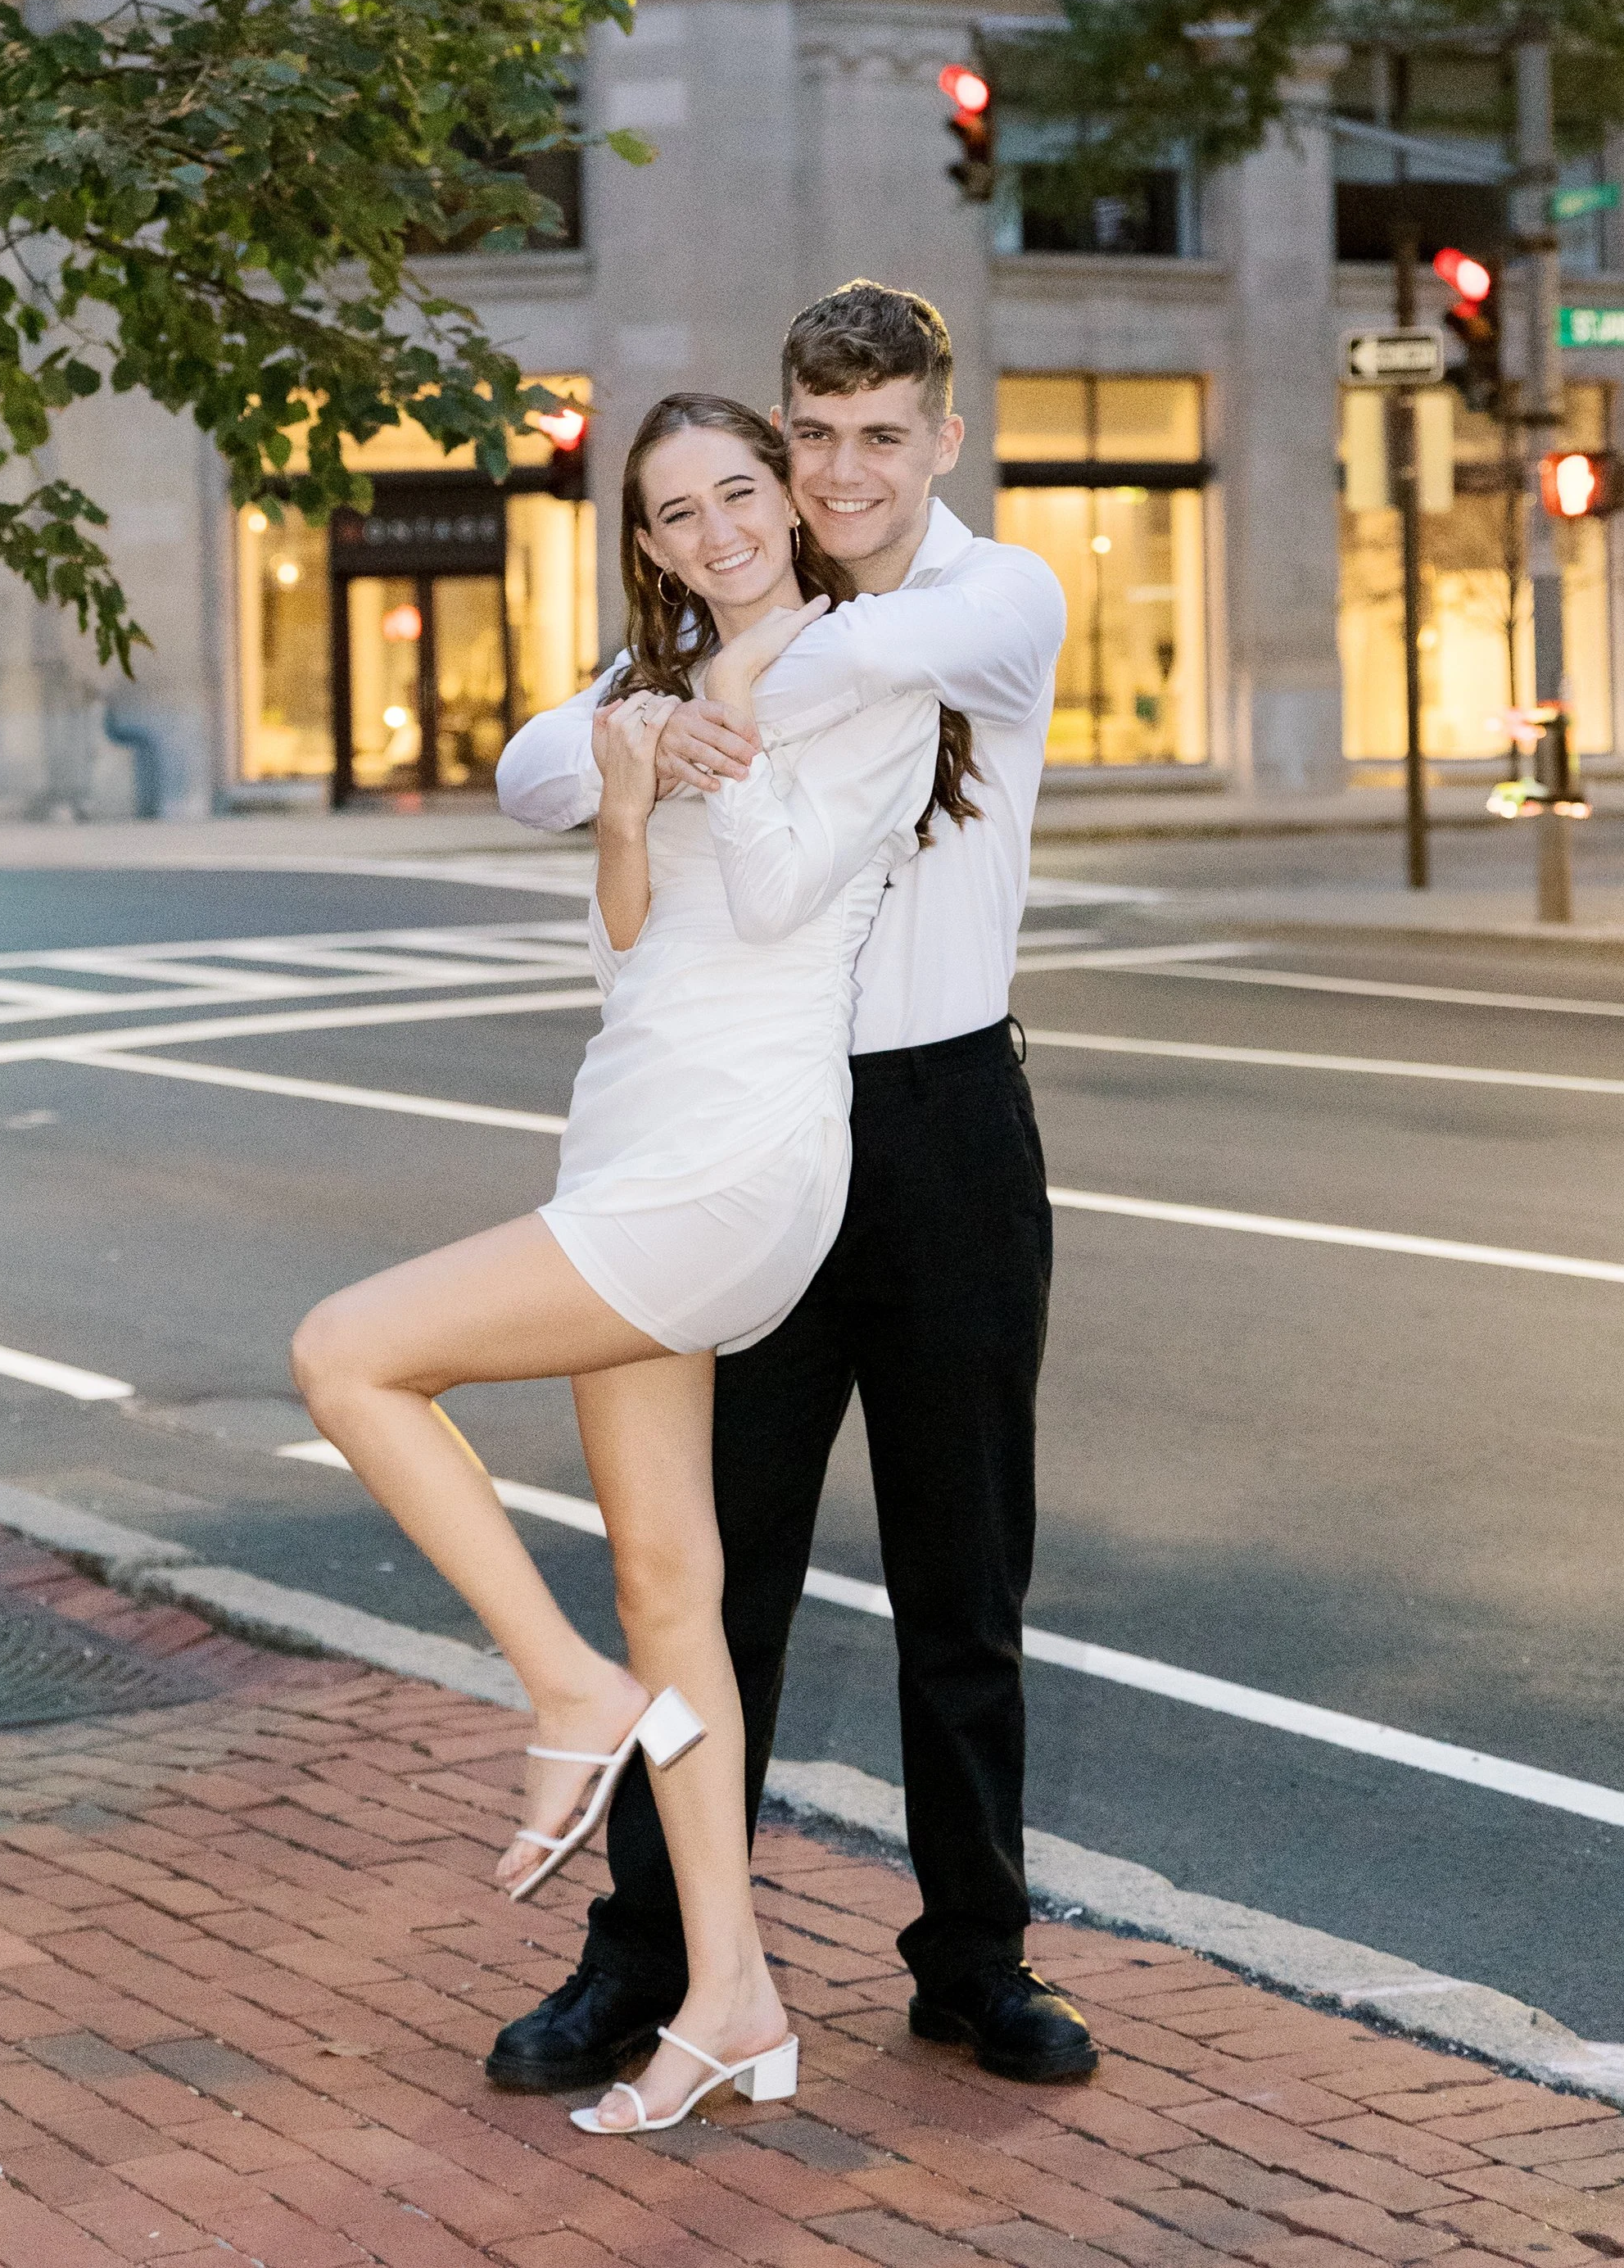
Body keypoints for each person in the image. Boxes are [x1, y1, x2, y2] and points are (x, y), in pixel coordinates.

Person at [292, 388, 962, 2135]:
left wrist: (724, 708)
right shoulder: (644, 693)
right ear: (648, 545)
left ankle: (563, 1689)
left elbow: (774, 901)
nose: (717, 529)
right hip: (629, 1132)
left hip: (737, 1159)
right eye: (676, 513)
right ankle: (731, 1996)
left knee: (346, 1352)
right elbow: (628, 942)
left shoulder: (871, 680)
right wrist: (624, 777)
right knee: (672, 1587)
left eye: (740, 491)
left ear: (789, 503)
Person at [491, 280, 1098, 2092]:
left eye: (880, 437)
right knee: (708, 1570)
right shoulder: (729, 618)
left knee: (961, 1575)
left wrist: (688, 700)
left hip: (944, 1127)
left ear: (942, 438)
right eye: (812, 436)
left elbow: (843, 670)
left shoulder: (994, 597)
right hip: (754, 1139)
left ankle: (974, 1958)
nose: (843, 472)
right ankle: (649, 1953)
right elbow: (530, 768)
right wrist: (656, 716)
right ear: (779, 437)